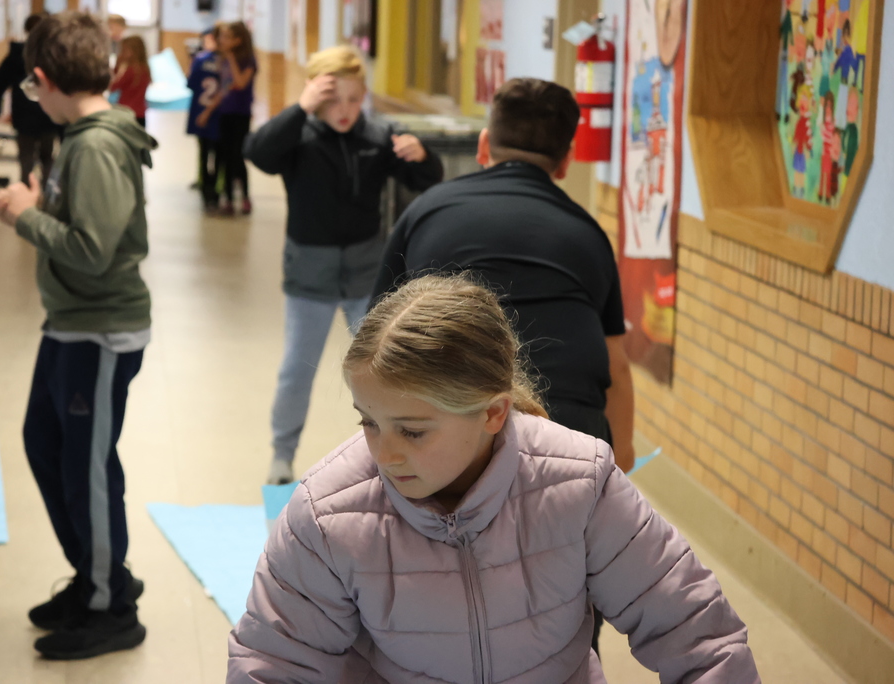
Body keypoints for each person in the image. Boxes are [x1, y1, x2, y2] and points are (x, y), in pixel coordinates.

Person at [227, 273, 760, 683]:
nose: (384, 453)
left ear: (492, 413)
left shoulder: (579, 483)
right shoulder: (327, 515)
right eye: (368, 421)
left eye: (412, 431)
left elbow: (697, 634)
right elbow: (272, 665)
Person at [370, 79, 634, 656]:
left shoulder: (428, 210)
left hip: (448, 425)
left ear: (484, 144)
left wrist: (383, 438)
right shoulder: (588, 233)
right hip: (571, 435)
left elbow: (378, 342)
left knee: (438, 610)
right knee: (563, 608)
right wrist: (618, 462)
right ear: (565, 162)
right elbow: (616, 361)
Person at [0, 10, 157, 660]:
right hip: (70, 323)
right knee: (44, 443)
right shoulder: (81, 138)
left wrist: (27, 218)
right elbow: (85, 225)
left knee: (86, 469)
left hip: (101, 332)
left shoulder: (96, 146)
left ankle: (111, 605)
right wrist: (41, 205)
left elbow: (92, 250)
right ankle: (94, 574)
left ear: (44, 79)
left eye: (32, 90)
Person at [243, 44, 443, 486]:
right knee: (297, 369)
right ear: (314, 95)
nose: (345, 110)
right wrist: (301, 107)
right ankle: (282, 453)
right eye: (333, 100)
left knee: (386, 368)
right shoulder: (298, 136)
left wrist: (423, 155)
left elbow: (427, 178)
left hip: (366, 274)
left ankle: (397, 453)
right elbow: (258, 152)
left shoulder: (378, 136)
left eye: (354, 99)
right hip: (309, 273)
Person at [0, 12, 62, 187]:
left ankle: (27, 191)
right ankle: (48, 193)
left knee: (26, 157)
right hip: (48, 114)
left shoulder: (17, 55)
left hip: (23, 114)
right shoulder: (55, 55)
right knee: (47, 157)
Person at [215, 21, 257, 215]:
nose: (222, 40)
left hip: (240, 114)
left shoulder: (248, 60)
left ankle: (246, 197)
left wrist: (231, 59)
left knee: (238, 156)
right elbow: (224, 86)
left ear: (238, 40)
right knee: (225, 156)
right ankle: (229, 198)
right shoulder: (222, 59)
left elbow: (240, 83)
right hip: (225, 112)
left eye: (227, 37)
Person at [187, 24, 227, 211]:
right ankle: (217, 191)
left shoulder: (200, 60)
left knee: (204, 153)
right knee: (219, 155)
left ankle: (205, 189)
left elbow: (190, 83)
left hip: (201, 112)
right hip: (220, 116)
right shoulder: (226, 62)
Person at [110, 36, 152, 128]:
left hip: (125, 112)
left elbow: (112, 87)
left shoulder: (130, 71)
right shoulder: (145, 69)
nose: (121, 53)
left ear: (132, 51)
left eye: (124, 50)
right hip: (140, 113)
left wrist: (119, 68)